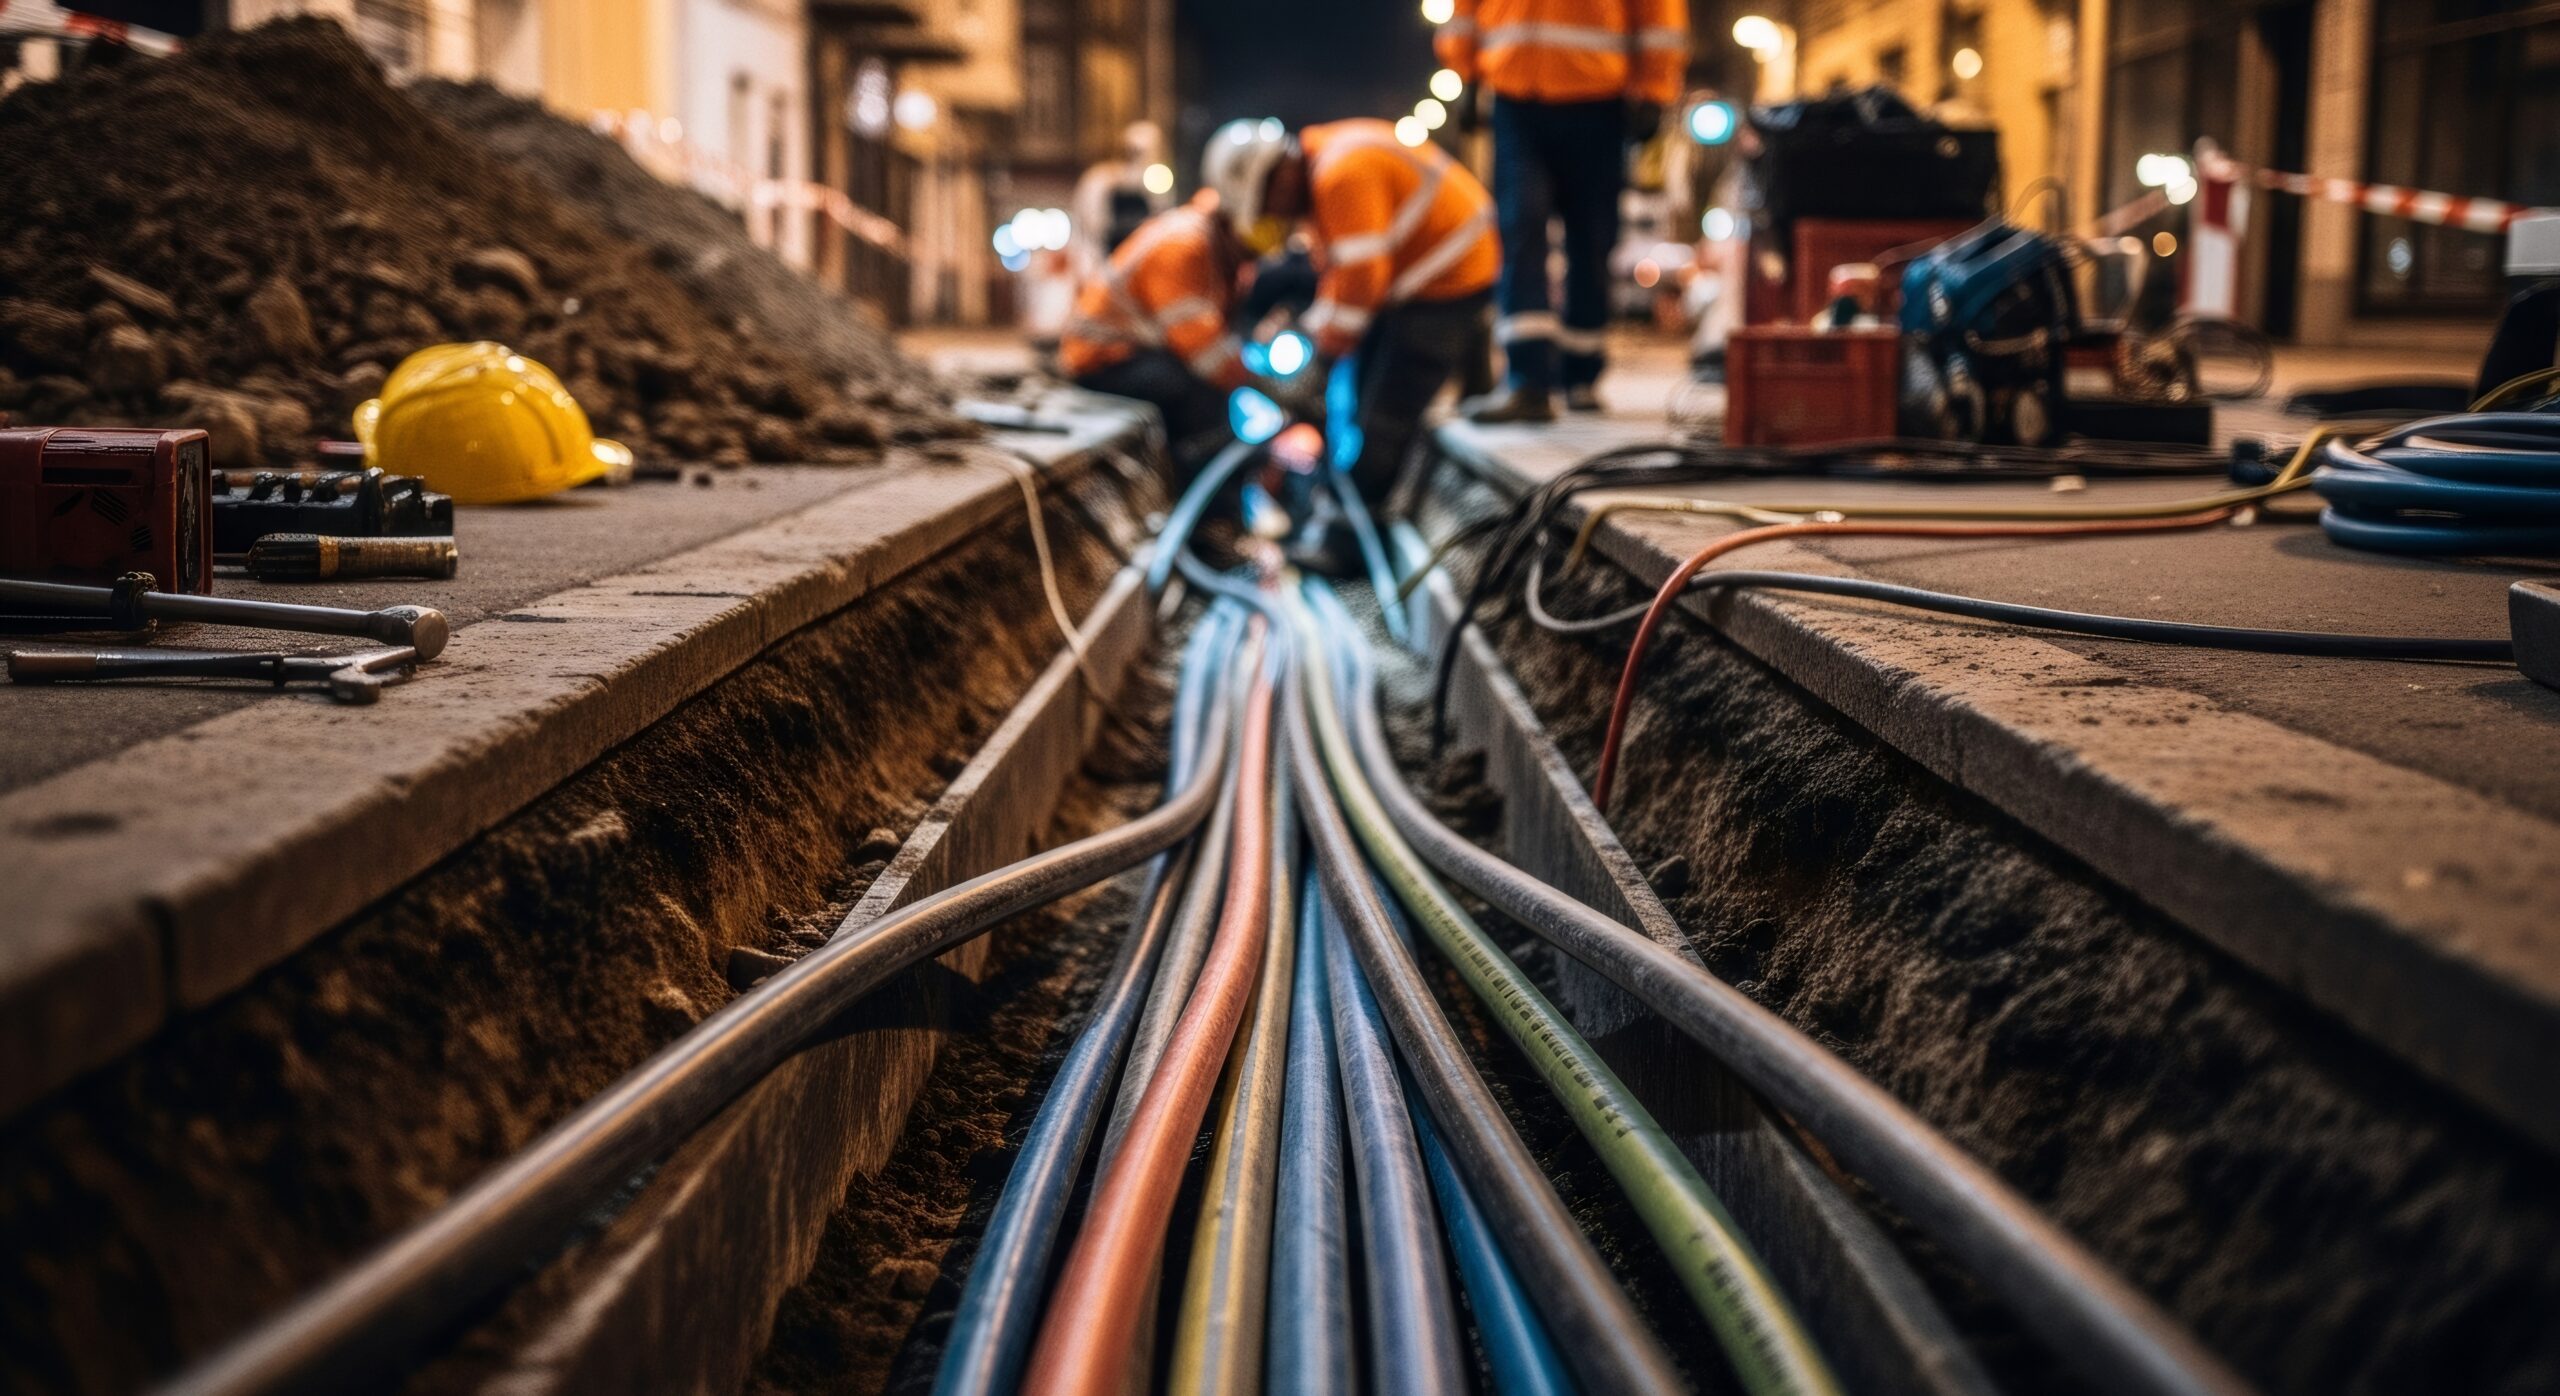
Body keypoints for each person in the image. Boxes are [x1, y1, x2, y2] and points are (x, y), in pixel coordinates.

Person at [1200, 116, 1497, 514]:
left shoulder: (1339, 175)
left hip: (1447, 274)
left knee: (1383, 415)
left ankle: (1348, 536)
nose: (1274, 215)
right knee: (1354, 401)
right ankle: (1343, 516)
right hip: (1426, 274)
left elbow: (1360, 282)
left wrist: (1320, 358)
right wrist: (1314, 331)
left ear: (1278, 178)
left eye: (1266, 205)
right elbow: (1341, 276)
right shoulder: (1327, 165)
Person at [1439, 0, 1690, 421]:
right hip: (1516, 95)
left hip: (1598, 100)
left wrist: (1655, 87)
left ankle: (1581, 375)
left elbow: (1659, 14)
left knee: (1591, 236)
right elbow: (1465, 10)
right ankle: (1527, 382)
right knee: (1521, 224)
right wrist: (1466, 74)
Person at [1057, 191, 1253, 480]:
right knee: (1198, 395)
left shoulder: (1205, 240)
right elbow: (1199, 347)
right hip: (1101, 358)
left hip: (1132, 351)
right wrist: (1254, 382)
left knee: (1196, 388)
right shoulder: (1183, 244)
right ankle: (1206, 507)